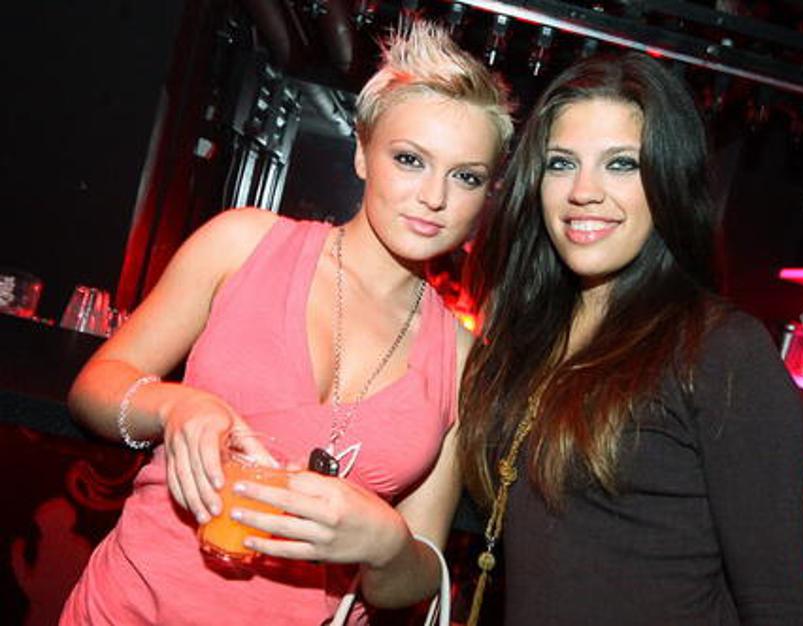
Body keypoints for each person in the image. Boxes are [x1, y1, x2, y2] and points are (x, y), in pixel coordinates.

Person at [60, 20, 512, 626]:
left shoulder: (461, 357)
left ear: (487, 196)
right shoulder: (243, 245)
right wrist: (176, 405)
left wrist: (386, 543)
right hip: (127, 610)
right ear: (362, 153)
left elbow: (415, 578)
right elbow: (94, 389)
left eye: (466, 176)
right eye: (410, 159)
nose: (435, 197)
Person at [458, 52, 803, 625]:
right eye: (561, 163)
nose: (584, 191)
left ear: (668, 181)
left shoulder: (723, 352)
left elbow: (778, 607)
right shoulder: (528, 334)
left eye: (621, 164)